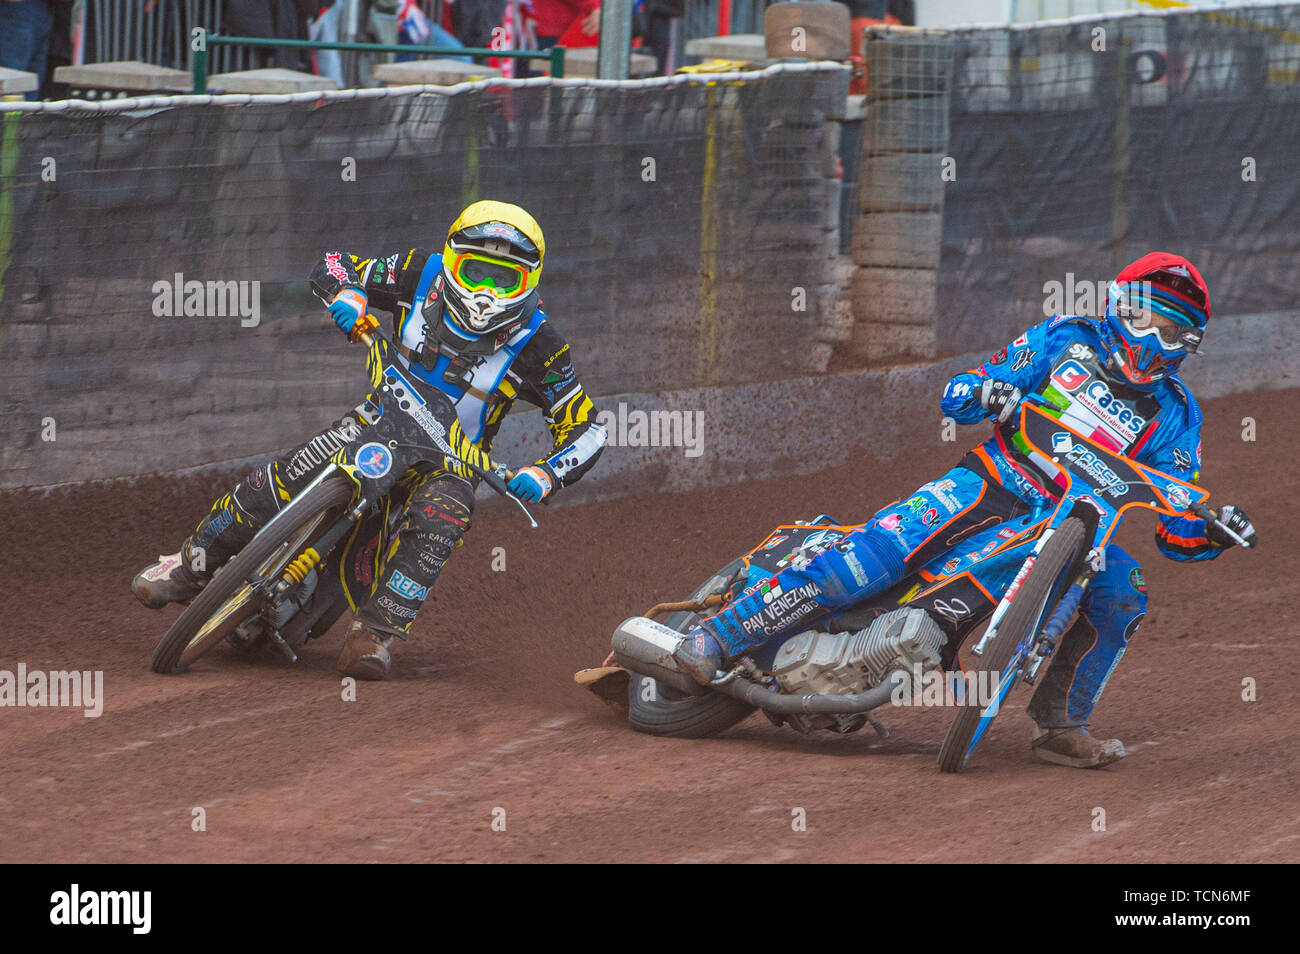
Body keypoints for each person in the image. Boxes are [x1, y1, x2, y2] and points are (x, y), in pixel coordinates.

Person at [681, 252, 1257, 768]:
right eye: (1147, 318)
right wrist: (989, 394)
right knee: (869, 557)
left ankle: (1060, 726)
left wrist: (1215, 531)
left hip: (1077, 527)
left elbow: (1175, 526)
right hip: (990, 482)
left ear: (1190, 342)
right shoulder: (1063, 338)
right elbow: (960, 390)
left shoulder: (1178, 414)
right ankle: (720, 633)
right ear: (1118, 307)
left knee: (1124, 591)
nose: (1157, 336)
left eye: (1175, 329)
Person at [133, 201, 607, 680]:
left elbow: (588, 427)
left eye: (505, 279)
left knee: (443, 518)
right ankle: (188, 567)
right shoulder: (419, 273)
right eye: (477, 271)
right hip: (378, 420)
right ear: (451, 260)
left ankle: (375, 632)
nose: (487, 290)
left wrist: (545, 473)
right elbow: (335, 264)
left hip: (453, 461)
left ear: (531, 280)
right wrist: (348, 295)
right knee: (281, 478)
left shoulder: (541, 344)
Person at [0, 0, 54, 101]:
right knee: (16, 86)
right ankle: (15, 116)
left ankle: (19, 116)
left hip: (31, 10)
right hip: (22, 9)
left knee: (19, 86)